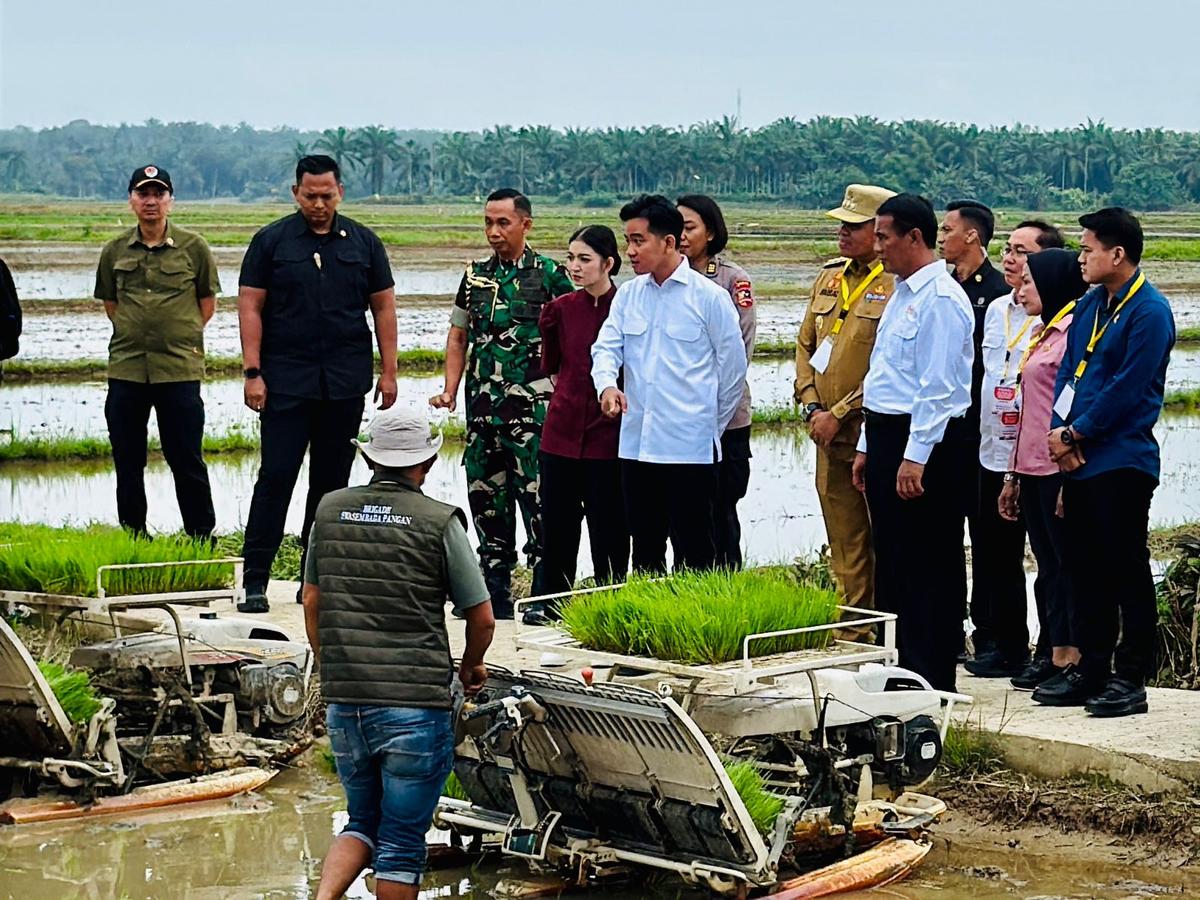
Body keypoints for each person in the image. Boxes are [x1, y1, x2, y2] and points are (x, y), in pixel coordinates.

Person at [302, 405, 494, 900]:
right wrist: (472, 665)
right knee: (402, 844)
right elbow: (483, 616)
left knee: (362, 820)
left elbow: (312, 600)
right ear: (426, 463)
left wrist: (331, 665)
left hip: (346, 701)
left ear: (370, 459)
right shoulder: (438, 521)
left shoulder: (329, 509)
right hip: (414, 705)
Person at [237, 154, 398, 613]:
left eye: (327, 195)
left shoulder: (364, 243)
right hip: (285, 380)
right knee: (276, 477)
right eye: (311, 196)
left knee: (331, 486)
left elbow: (383, 308)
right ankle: (255, 579)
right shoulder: (271, 242)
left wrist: (389, 372)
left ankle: (315, 580)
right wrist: (253, 372)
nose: (319, 204)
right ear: (296, 194)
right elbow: (250, 306)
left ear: (340, 193)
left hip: (345, 382)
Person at [1034, 208, 1175, 717]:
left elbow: (1128, 390)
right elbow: (1069, 375)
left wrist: (1076, 433)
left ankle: (1131, 677)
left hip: (1120, 459)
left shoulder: (1150, 312)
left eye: (1088, 248)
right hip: (1077, 458)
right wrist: (1060, 435)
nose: (1081, 257)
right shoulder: (1091, 304)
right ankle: (1091, 669)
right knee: (1083, 568)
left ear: (1118, 254)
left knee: (1125, 568)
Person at [430, 189, 574, 619]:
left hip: (534, 415)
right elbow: (459, 336)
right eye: (488, 222)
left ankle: (546, 595)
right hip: (483, 410)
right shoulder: (474, 276)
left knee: (539, 501)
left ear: (526, 224)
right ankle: (493, 590)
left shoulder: (550, 275)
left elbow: (575, 338)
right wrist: (451, 388)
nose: (494, 231)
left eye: (503, 223)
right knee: (486, 498)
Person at [851, 194, 974, 693]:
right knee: (895, 560)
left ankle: (932, 674)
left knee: (929, 561)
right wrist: (865, 445)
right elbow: (883, 377)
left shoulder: (941, 299)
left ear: (914, 238)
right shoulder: (901, 293)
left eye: (883, 236)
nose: (876, 246)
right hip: (886, 434)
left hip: (924, 442)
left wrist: (913, 457)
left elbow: (939, 389)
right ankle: (903, 667)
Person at [592, 194, 746, 574]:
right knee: (644, 551)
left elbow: (732, 371)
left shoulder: (709, 298)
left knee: (695, 552)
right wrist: (607, 386)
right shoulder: (628, 294)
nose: (629, 251)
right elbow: (606, 347)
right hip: (636, 447)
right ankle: (649, 631)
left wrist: (708, 426)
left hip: (689, 450)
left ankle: (695, 631)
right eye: (627, 240)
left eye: (638, 240)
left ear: (669, 242)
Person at [93, 165, 219, 539]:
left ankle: (200, 535)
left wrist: (175, 334)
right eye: (143, 194)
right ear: (131, 200)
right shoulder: (114, 250)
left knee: (186, 457)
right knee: (128, 459)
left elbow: (206, 304)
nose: (151, 201)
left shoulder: (194, 248)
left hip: (178, 370)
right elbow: (111, 304)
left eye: (158, 194)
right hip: (127, 369)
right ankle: (134, 535)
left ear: (170, 201)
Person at [965, 219, 1066, 677]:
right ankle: (1002, 642)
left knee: (1049, 557)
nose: (1009, 259)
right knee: (994, 551)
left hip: (1039, 457)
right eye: (1007, 249)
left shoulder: (1059, 317)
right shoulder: (996, 310)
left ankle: (1052, 646)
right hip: (994, 449)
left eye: (1021, 252)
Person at [794, 183, 896, 621]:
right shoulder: (829, 276)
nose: (843, 233)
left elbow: (889, 367)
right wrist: (813, 406)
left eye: (854, 226)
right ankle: (852, 627)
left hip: (869, 433)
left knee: (884, 536)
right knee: (843, 535)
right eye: (841, 224)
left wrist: (839, 413)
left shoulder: (895, 284)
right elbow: (805, 345)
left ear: (880, 229)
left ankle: (888, 626)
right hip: (825, 434)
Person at [998, 248, 1087, 690]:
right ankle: (1054, 655)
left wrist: (1068, 476)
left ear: (1052, 284)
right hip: (1029, 466)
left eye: (1030, 281)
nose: (1020, 288)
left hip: (1056, 465)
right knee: (1049, 566)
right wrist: (1012, 475)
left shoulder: (1073, 330)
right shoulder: (1043, 330)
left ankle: (1073, 658)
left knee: (1066, 564)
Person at [939, 199, 1022, 665]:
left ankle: (993, 635)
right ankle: (950, 630)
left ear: (972, 235)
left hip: (985, 435)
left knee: (990, 541)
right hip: (947, 434)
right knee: (945, 539)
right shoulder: (941, 288)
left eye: (947, 229)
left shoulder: (997, 292)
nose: (941, 236)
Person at [532, 225, 629, 621]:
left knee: (609, 527)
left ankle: (611, 604)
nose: (574, 266)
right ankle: (549, 604)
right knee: (557, 524)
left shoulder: (626, 308)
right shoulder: (559, 310)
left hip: (610, 434)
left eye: (584, 259)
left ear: (608, 263)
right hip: (561, 432)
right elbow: (552, 367)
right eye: (570, 258)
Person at [677, 194, 756, 568]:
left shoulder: (731, 280)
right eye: (675, 227)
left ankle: (725, 591)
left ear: (710, 231)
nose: (680, 235)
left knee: (721, 511)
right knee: (680, 516)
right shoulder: (658, 279)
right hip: (676, 419)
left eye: (689, 227)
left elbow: (738, 352)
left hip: (724, 418)